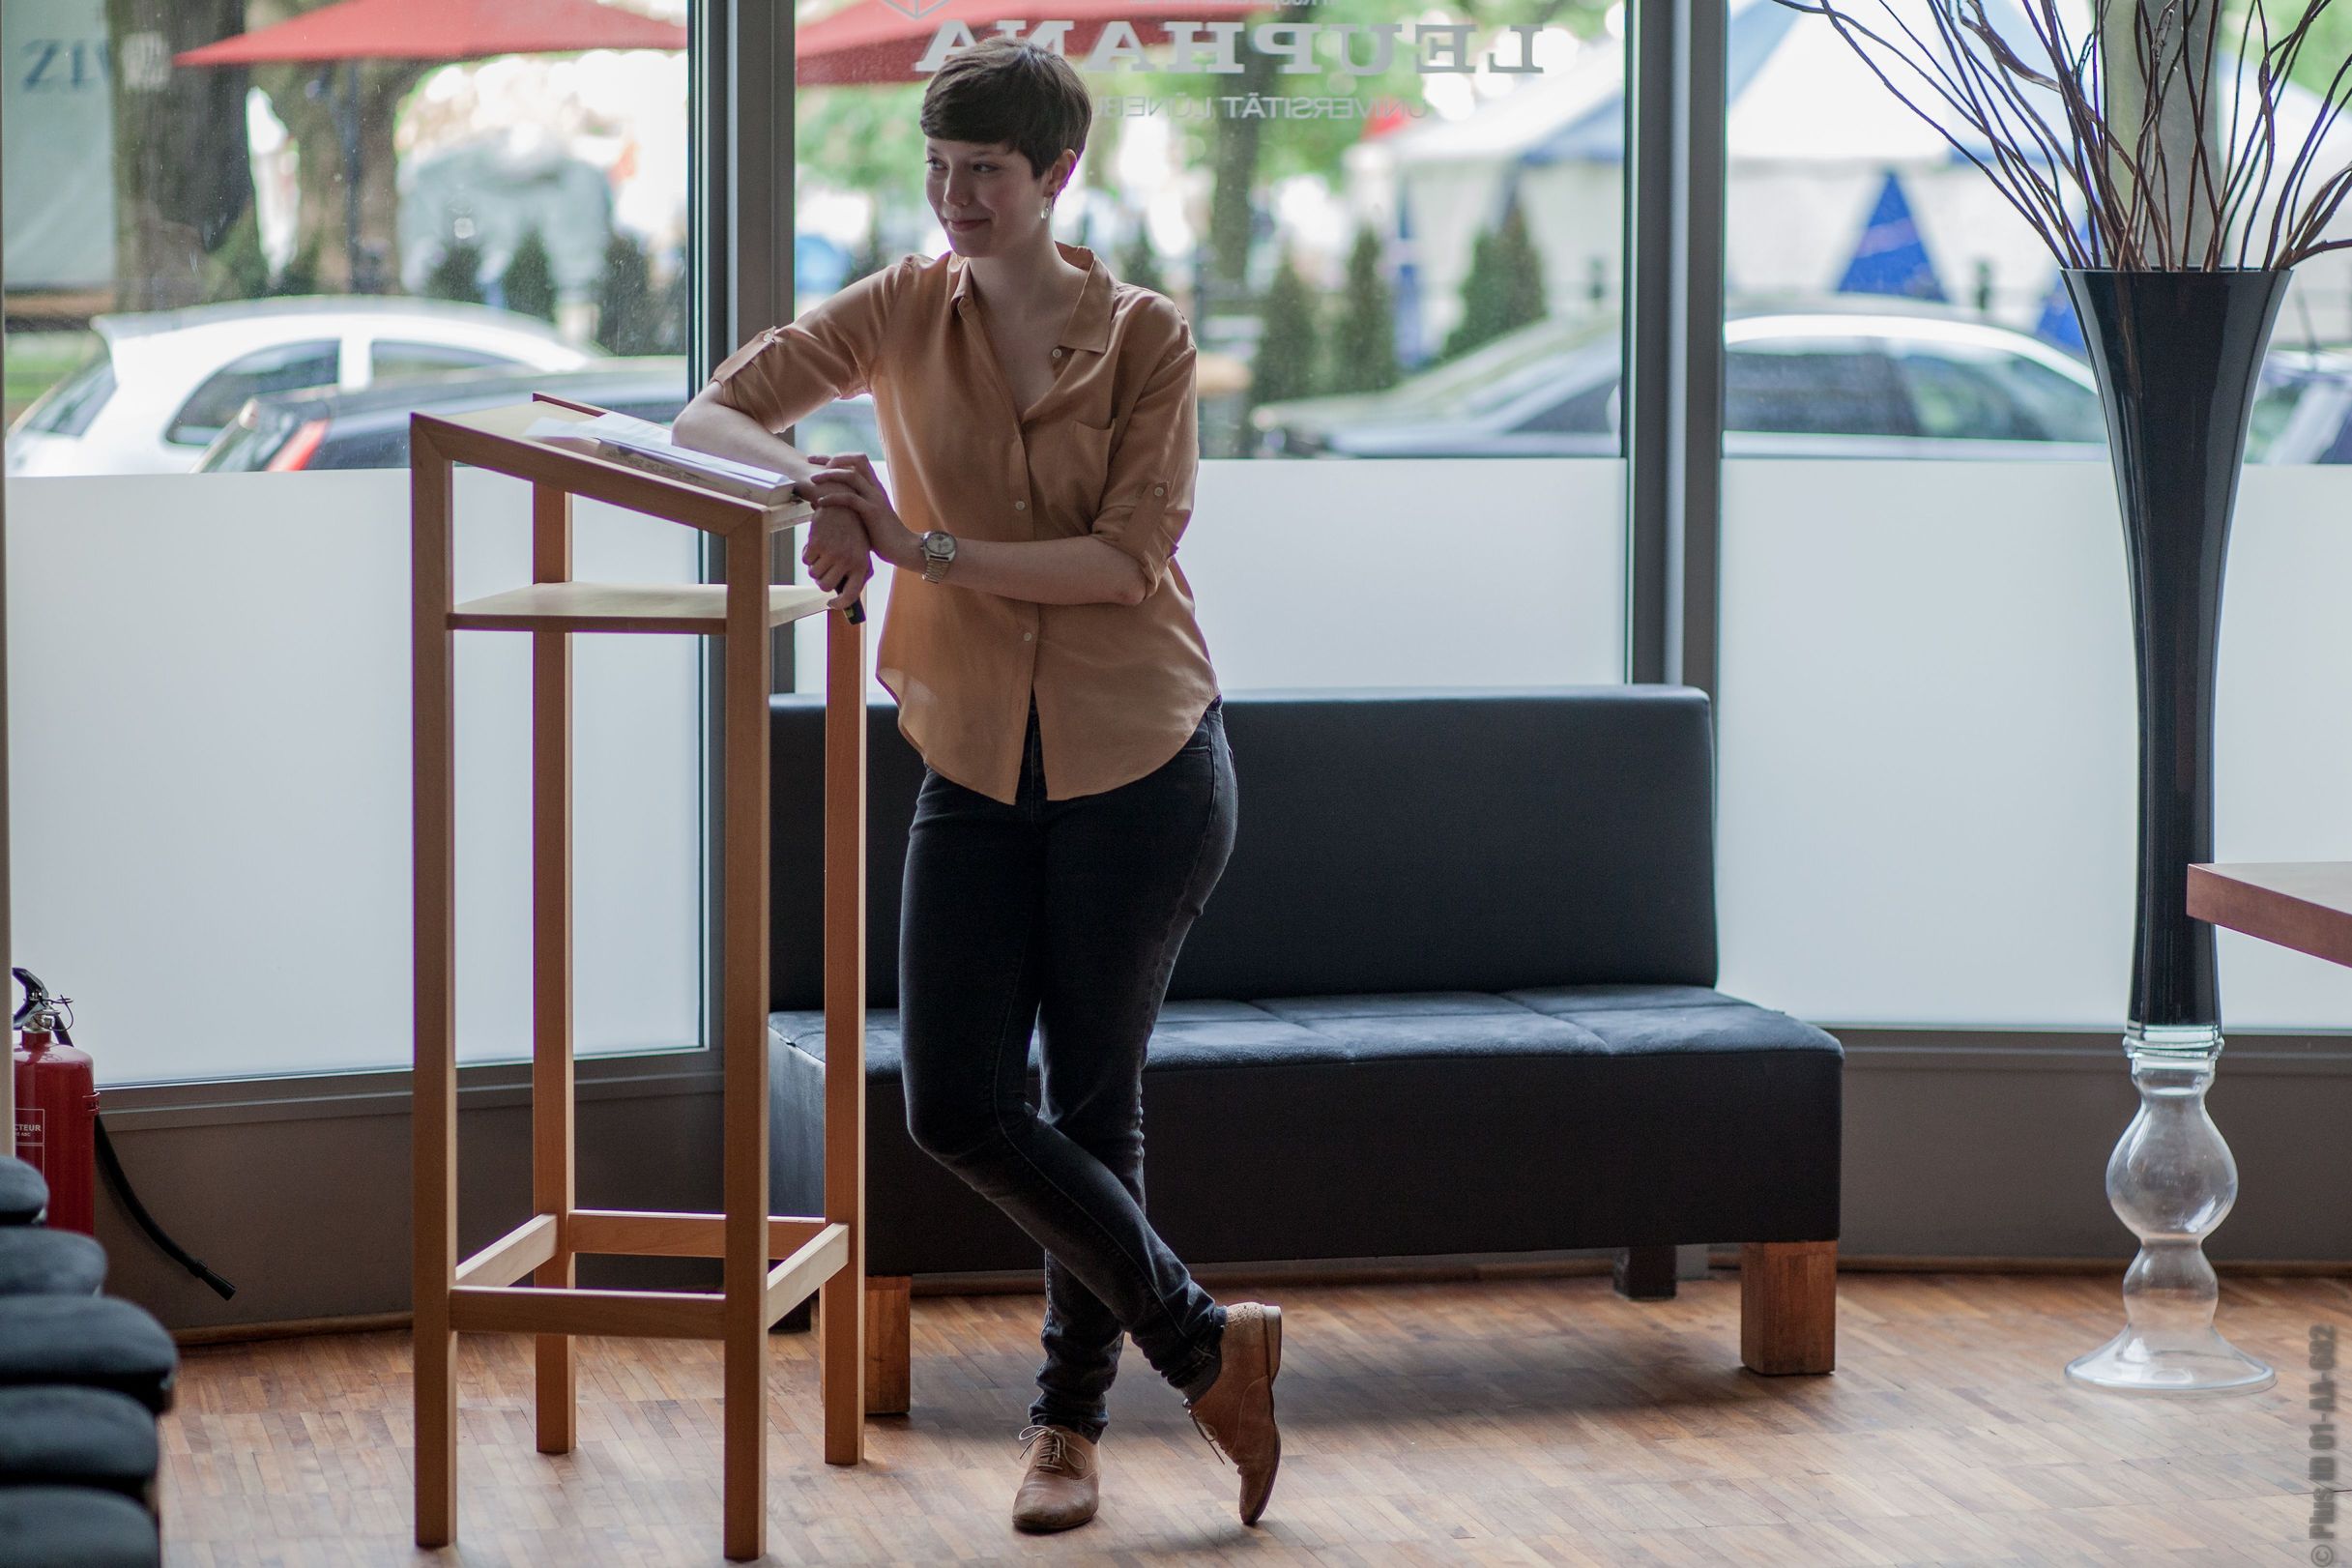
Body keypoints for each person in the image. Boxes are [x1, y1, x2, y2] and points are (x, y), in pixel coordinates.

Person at [671, 37, 1282, 1538]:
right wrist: (823, 487)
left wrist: (917, 546)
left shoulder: (1143, 339)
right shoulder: (898, 306)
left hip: (1141, 760)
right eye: (939, 169)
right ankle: (1207, 1344)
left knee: (1091, 1099)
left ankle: (1067, 1430)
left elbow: (1124, 561)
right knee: (950, 1100)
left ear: (1055, 174)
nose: (954, 198)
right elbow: (711, 416)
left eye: (985, 173)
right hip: (968, 750)